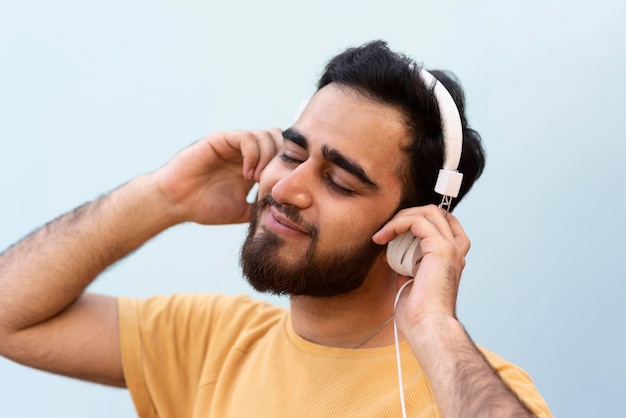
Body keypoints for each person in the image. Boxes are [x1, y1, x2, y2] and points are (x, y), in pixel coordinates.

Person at [0, 40, 551, 417]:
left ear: (414, 229)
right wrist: (165, 196)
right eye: (292, 153)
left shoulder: (465, 385)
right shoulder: (213, 340)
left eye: (340, 181)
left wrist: (432, 323)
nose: (286, 188)